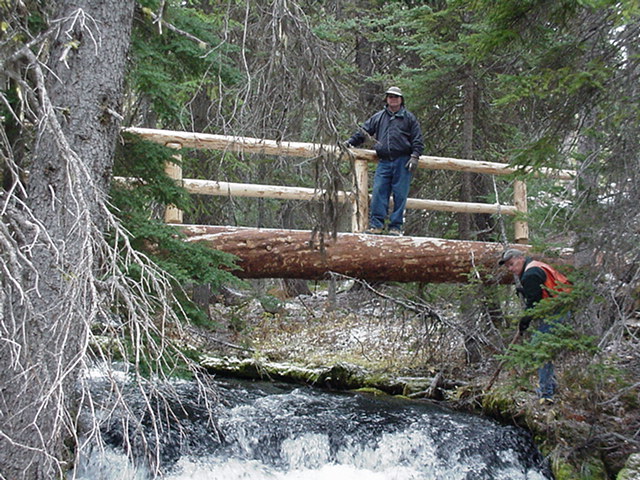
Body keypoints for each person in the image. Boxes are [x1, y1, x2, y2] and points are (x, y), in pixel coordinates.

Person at [344, 86, 424, 236]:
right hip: (384, 161)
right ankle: (376, 225)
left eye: (395, 97)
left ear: (401, 99)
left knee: (400, 195)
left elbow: (417, 140)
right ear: (386, 99)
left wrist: (415, 156)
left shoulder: (409, 118)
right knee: (379, 192)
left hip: (403, 161)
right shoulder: (379, 117)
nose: (393, 99)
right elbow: (364, 131)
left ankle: (396, 227)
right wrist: (351, 142)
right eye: (390, 97)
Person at [498, 248, 572, 405]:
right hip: (559, 308)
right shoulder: (534, 267)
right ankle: (550, 385)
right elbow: (540, 292)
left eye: (512, 264)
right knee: (542, 349)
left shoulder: (530, 273)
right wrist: (525, 291)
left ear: (521, 258)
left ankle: (546, 395)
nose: (511, 269)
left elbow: (534, 304)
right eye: (508, 267)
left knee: (540, 350)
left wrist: (525, 321)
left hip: (557, 312)